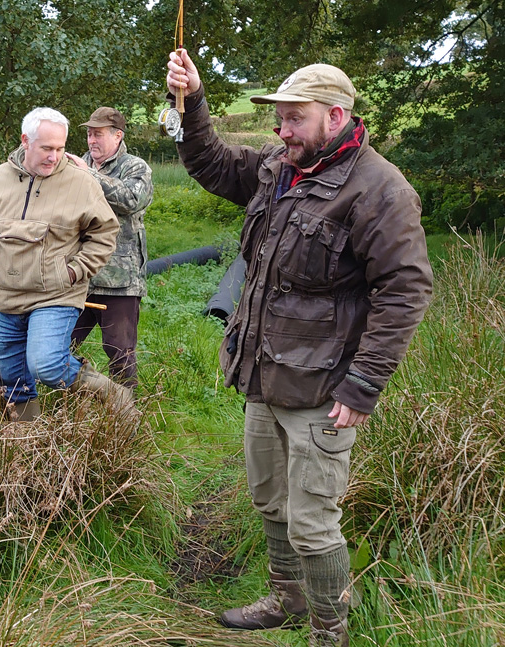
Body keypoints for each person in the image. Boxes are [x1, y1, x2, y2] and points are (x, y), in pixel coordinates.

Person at [166, 52, 432, 646]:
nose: (281, 131)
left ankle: (327, 633)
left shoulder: (380, 190)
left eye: (294, 119)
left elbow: (406, 291)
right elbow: (211, 162)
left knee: (314, 522)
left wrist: (363, 384)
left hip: (326, 389)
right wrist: (194, 100)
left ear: (335, 116)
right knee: (269, 498)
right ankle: (285, 599)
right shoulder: (279, 166)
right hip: (265, 371)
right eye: (279, 119)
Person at [0, 107, 124, 422]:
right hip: (6, 297)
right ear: (26, 141)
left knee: (47, 365)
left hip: (56, 294)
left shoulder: (81, 183)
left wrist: (73, 271)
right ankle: (26, 441)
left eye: (61, 148)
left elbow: (105, 235)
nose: (55, 157)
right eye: (47, 148)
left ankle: (115, 395)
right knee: (12, 381)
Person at [65, 107, 153, 404]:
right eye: (89, 133)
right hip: (77, 277)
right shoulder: (75, 164)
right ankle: (71, 408)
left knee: (120, 353)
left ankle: (126, 418)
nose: (92, 140)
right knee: (58, 346)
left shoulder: (134, 166)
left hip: (119, 282)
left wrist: (87, 174)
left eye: (98, 133)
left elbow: (131, 200)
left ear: (118, 135)